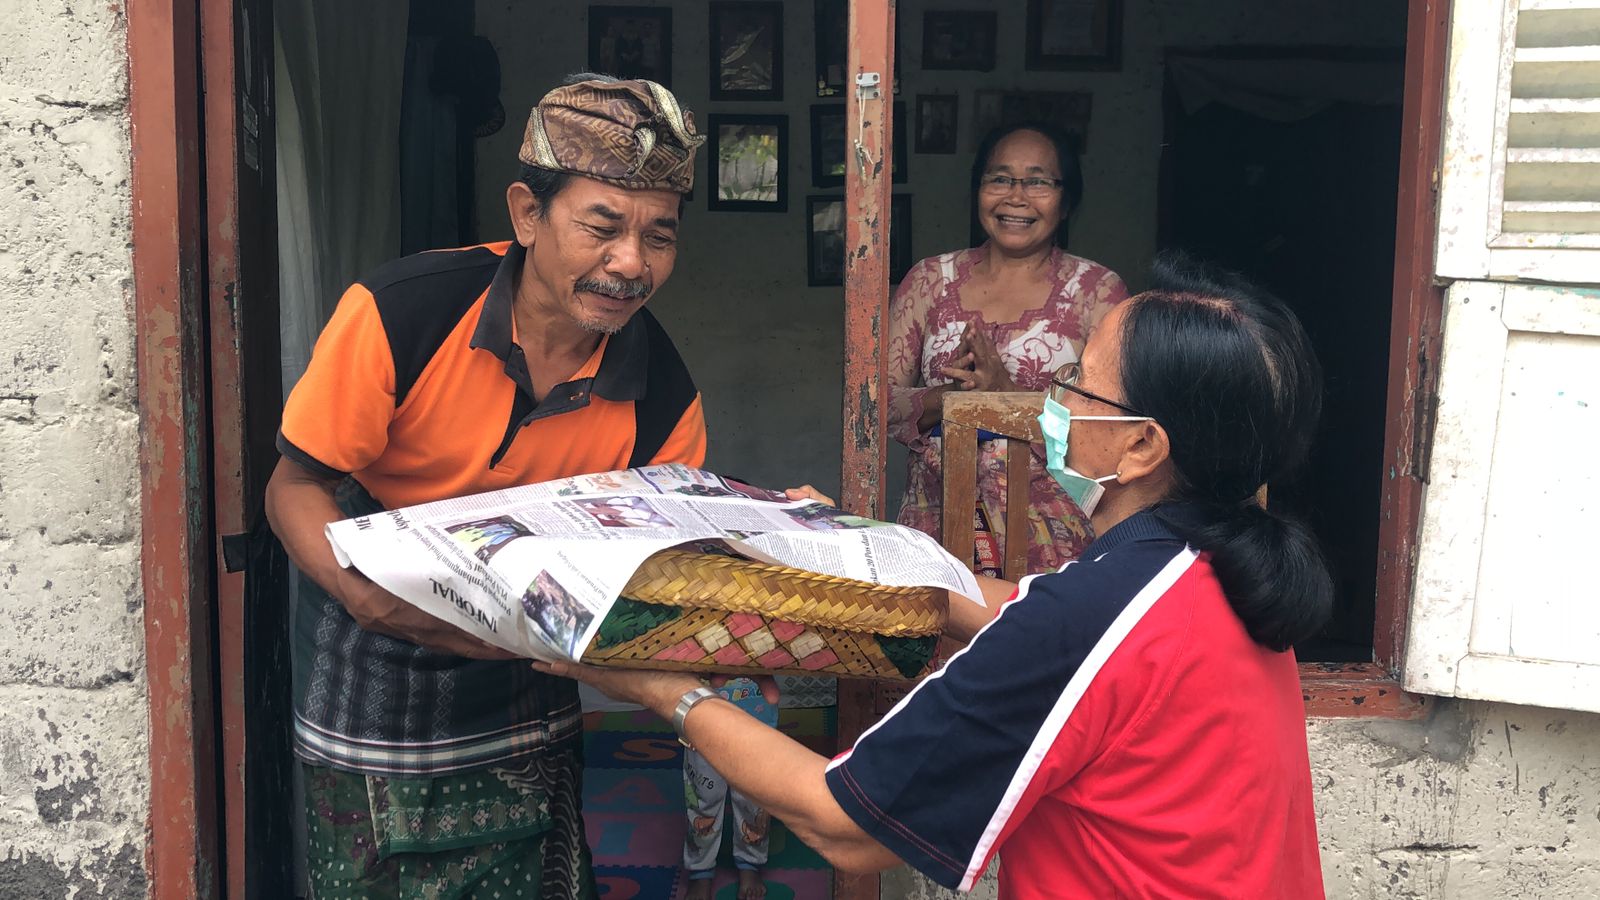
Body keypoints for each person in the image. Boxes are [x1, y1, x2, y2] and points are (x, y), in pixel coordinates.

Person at [540, 252, 1334, 898]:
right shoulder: (1214, 568)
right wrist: (842, 541)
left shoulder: (1095, 616)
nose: (1052, 402)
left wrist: (657, 688)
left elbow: (840, 824)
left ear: (1140, 448)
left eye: (1076, 384)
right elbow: (1017, 613)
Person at [264, 74, 706, 899]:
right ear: (528, 214)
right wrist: (359, 592)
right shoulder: (404, 313)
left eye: (660, 238)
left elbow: (645, 563)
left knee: (532, 867)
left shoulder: (663, 396)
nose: (630, 265)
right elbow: (295, 486)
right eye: (602, 227)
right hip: (371, 644)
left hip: (525, 660)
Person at [889, 121, 1128, 577]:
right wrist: (957, 399)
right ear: (977, 189)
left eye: (1038, 181)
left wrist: (1005, 393)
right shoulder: (929, 281)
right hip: (936, 528)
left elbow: (1113, 429)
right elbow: (874, 408)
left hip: (1050, 541)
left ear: (1067, 198)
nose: (1016, 197)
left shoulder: (1097, 293)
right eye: (999, 178)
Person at [680, 677, 779, 899]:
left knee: (753, 799)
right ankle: (700, 870)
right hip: (701, 723)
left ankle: (750, 863)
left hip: (756, 725)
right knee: (703, 797)